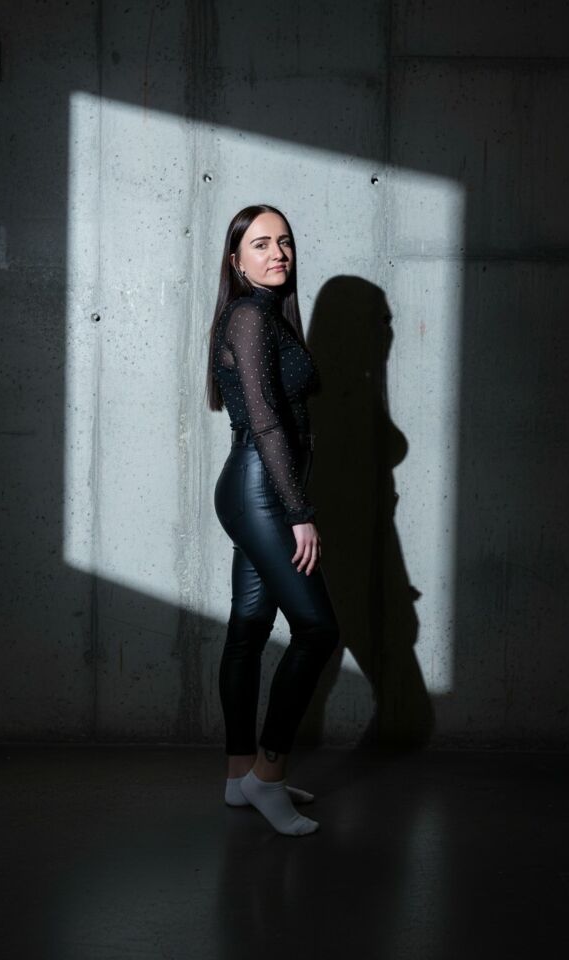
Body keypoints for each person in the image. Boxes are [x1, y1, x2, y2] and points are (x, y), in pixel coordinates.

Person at [206, 204, 340, 836]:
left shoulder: (270, 317)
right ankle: (268, 775)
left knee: (250, 629)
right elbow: (264, 421)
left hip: (259, 487)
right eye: (260, 244)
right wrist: (299, 514)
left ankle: (240, 777)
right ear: (236, 260)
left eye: (283, 241)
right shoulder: (248, 316)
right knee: (317, 630)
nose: (277, 253)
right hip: (259, 489)